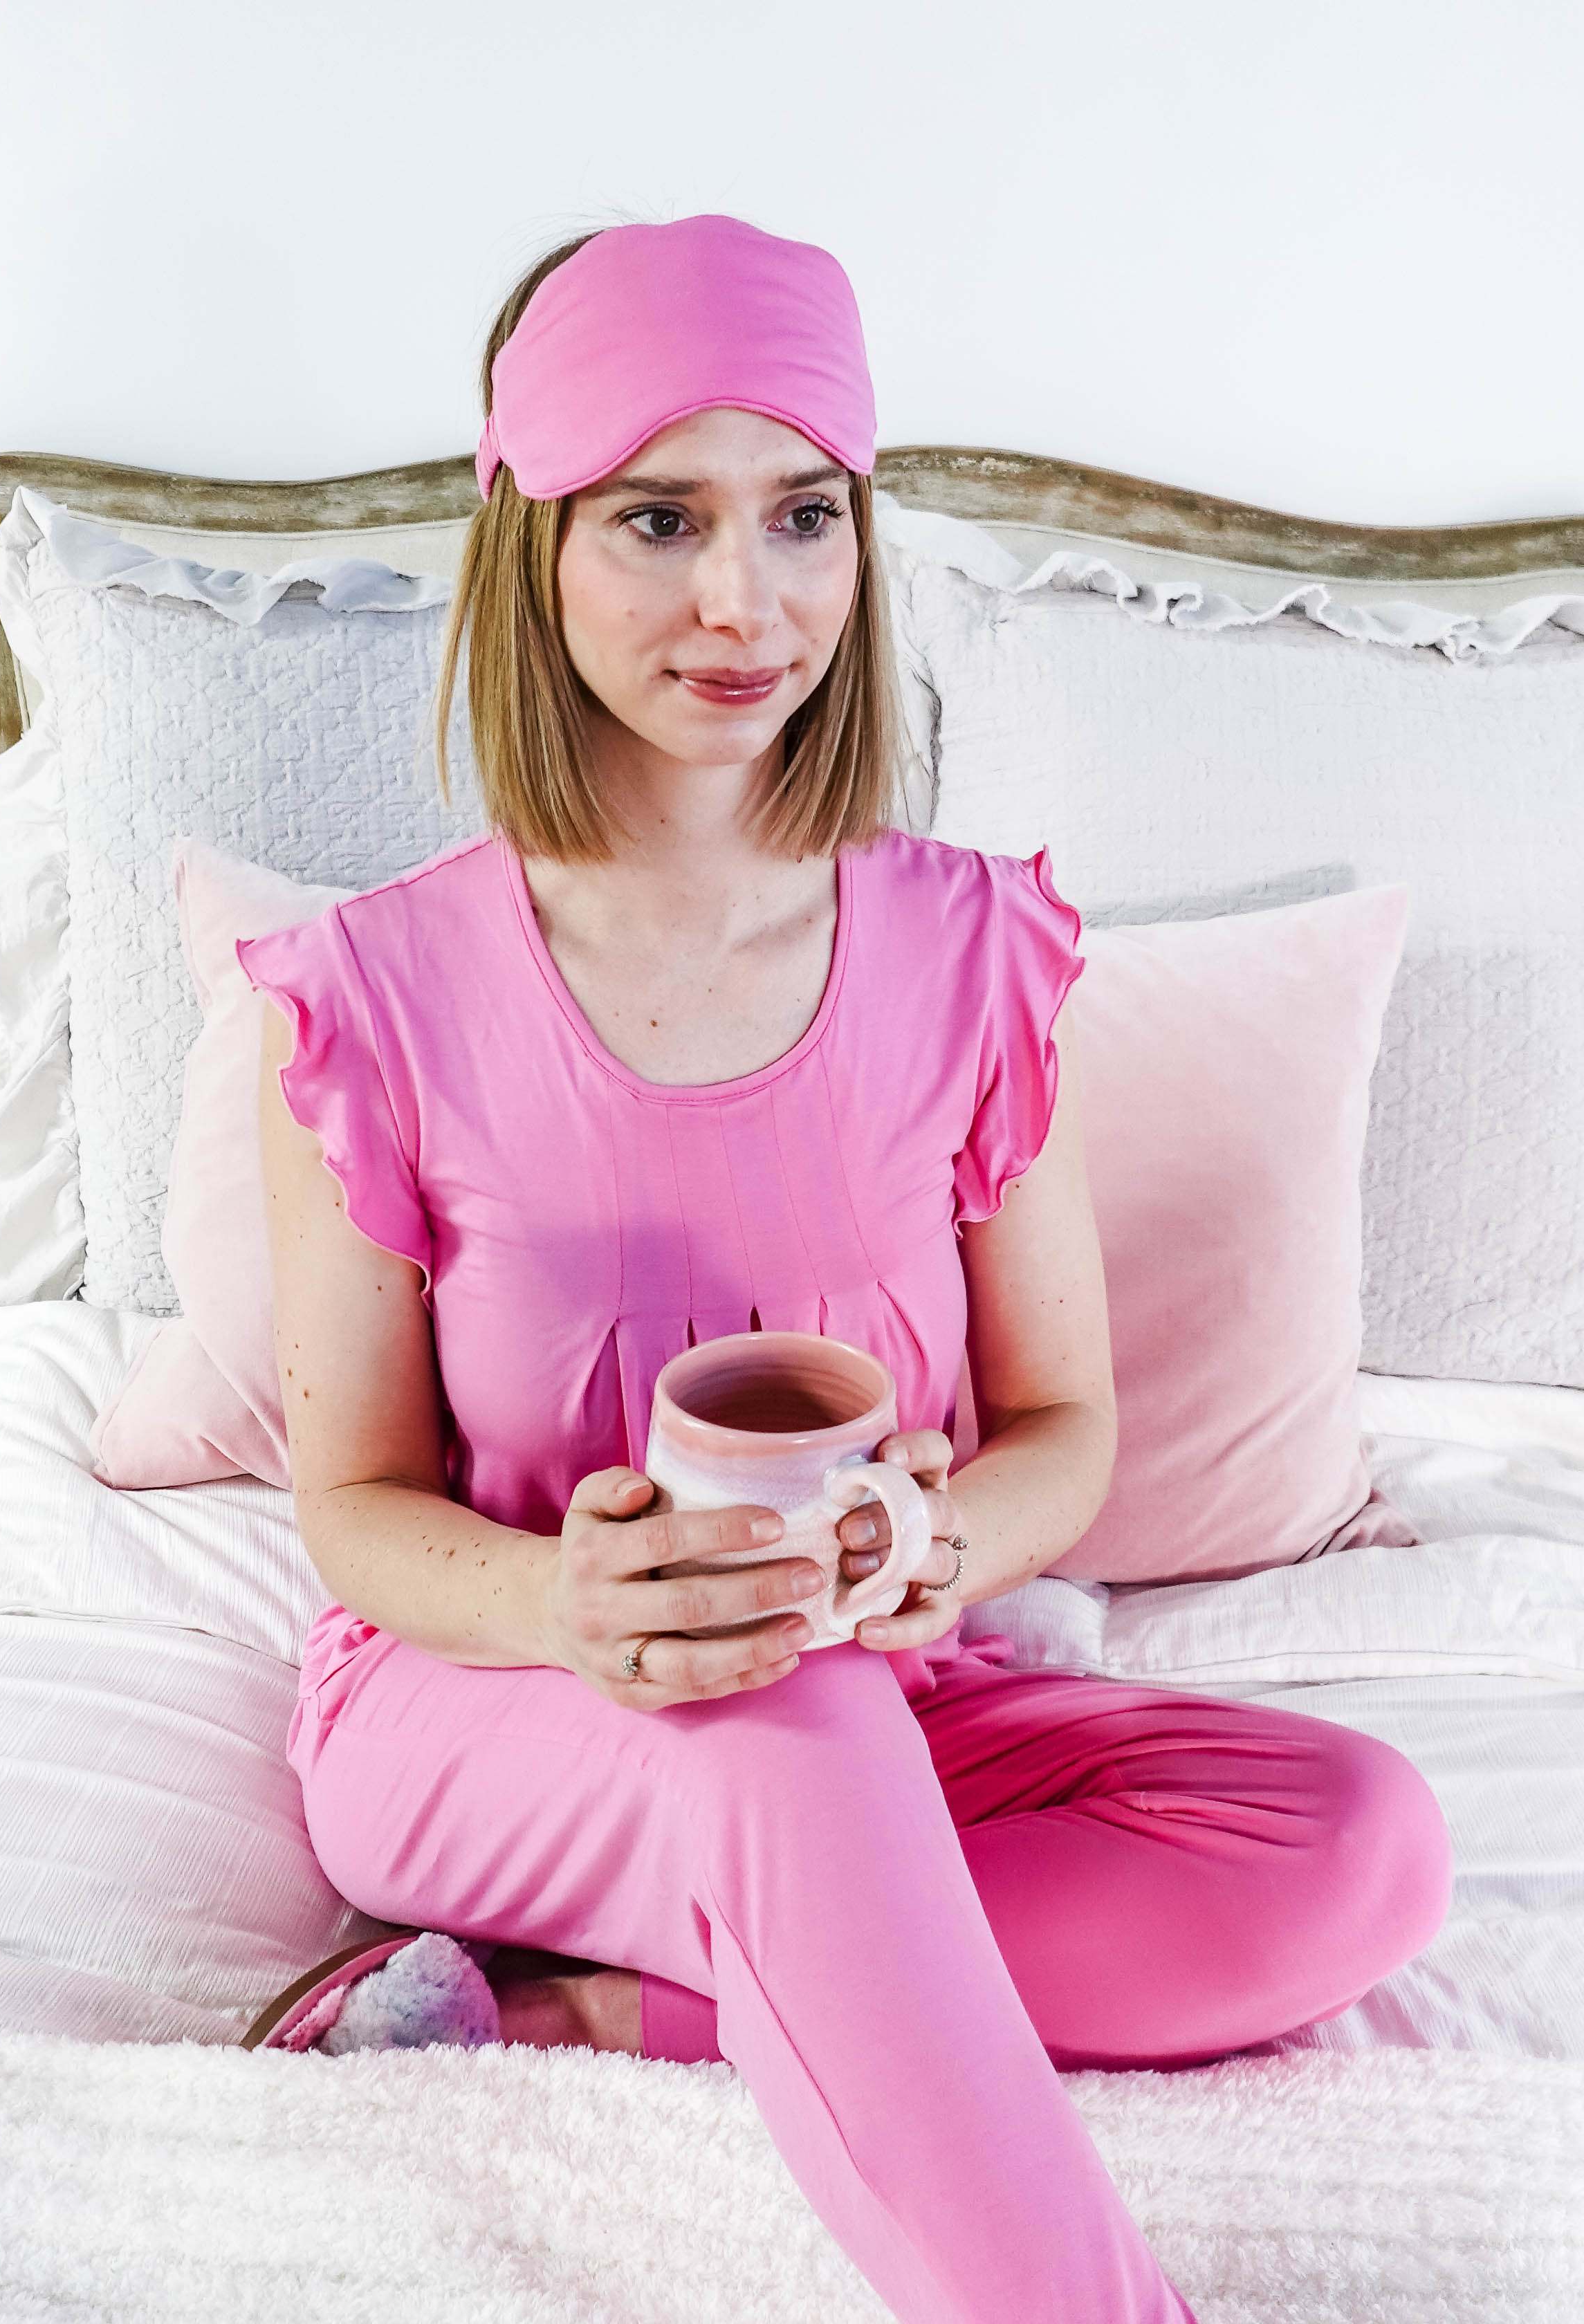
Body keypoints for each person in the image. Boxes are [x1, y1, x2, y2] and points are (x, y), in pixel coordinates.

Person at [247, 215, 1451, 2324]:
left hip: (884, 1700)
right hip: (498, 1698)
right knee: (780, 1725)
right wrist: (566, 1599)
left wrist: (932, 1536)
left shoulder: (973, 954)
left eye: (806, 515)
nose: (748, 602)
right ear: (528, 530)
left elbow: (1066, 1431)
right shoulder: (371, 995)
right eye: (659, 519)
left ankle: (602, 2014)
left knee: (1361, 1849)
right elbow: (350, 1508)